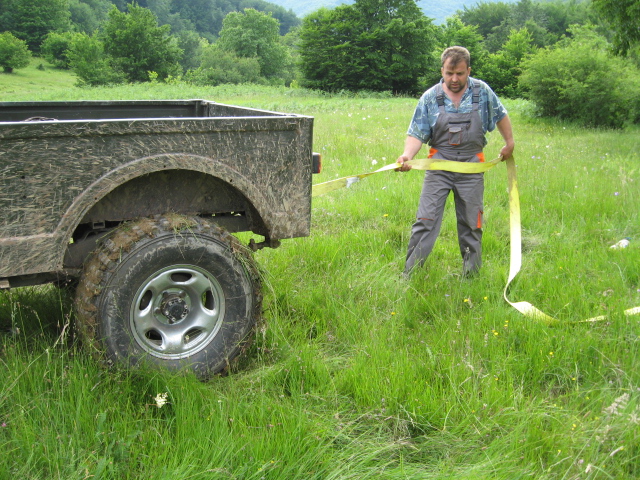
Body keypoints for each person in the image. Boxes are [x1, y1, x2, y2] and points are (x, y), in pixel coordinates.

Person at [397, 46, 514, 277]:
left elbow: (501, 115)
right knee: (425, 220)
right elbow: (417, 133)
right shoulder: (430, 98)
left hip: (472, 166)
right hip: (439, 166)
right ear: (442, 70)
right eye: (449, 73)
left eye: (460, 73)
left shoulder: (483, 91)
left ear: (468, 70)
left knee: (472, 223)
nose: (454, 79)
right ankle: (409, 274)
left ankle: (471, 277)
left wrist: (509, 142)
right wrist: (407, 156)